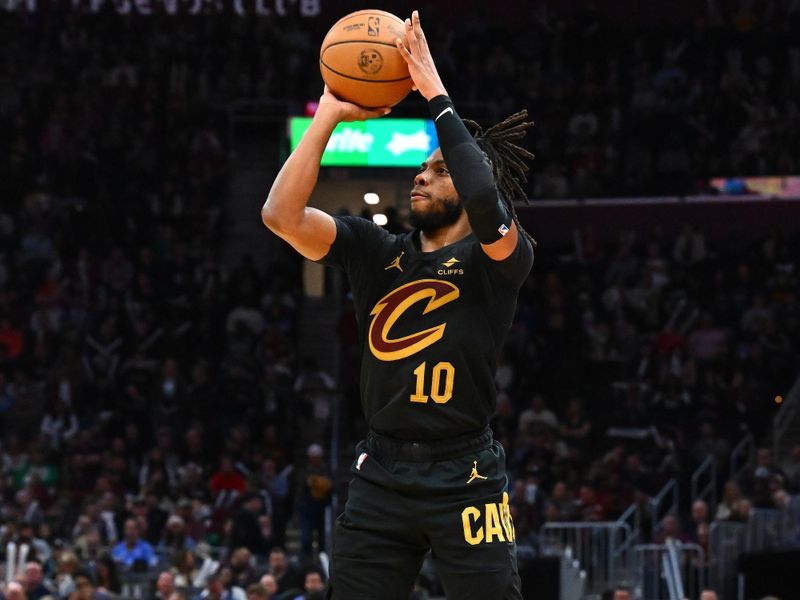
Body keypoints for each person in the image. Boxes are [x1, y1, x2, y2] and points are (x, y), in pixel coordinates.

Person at [262, 10, 534, 599]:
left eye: (438, 170)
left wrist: (434, 92)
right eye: (420, 166)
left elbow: (486, 196)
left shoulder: (500, 258)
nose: (420, 176)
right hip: (381, 472)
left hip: (466, 474)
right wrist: (329, 113)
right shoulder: (374, 249)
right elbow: (279, 216)